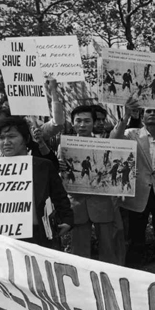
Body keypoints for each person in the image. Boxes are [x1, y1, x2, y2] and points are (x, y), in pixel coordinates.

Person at [0, 116, 73, 310]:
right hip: (5, 240)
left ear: (24, 139)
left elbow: (59, 196)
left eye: (11, 136)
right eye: (1, 137)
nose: (6, 142)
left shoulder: (42, 166)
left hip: (40, 238)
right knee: (13, 293)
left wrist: (67, 220)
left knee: (45, 289)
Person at [112, 100, 155, 276]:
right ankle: (133, 274)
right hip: (138, 194)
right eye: (148, 111)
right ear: (142, 116)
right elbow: (113, 140)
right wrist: (126, 115)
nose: (152, 114)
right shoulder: (131, 134)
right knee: (135, 238)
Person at [64, 105, 119, 265]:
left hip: (101, 203)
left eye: (87, 121)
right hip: (78, 203)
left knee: (108, 248)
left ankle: (110, 279)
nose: (82, 125)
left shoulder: (104, 145)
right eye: (78, 121)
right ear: (72, 123)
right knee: (79, 251)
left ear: (94, 123)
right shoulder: (64, 146)